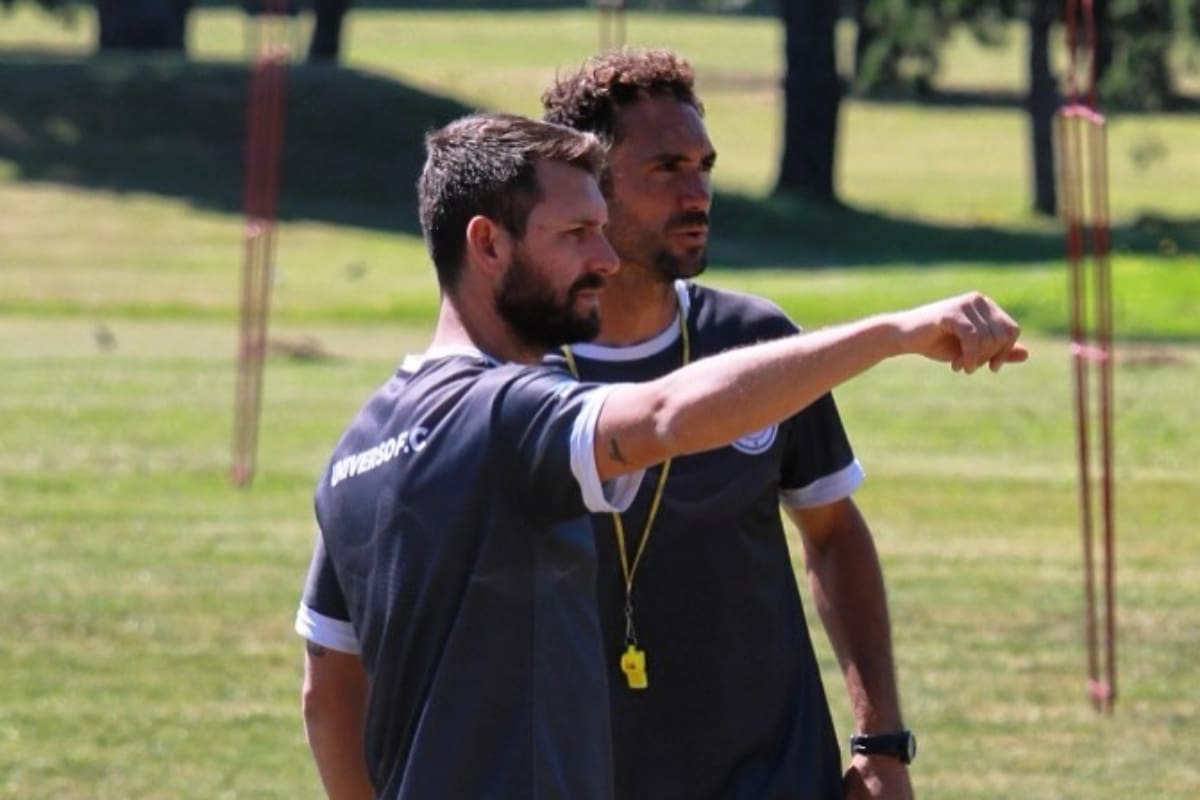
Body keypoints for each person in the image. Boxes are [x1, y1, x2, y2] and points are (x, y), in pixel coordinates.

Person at [294, 110, 1027, 800]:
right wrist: (898, 333)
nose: (607, 260)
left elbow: (325, 698)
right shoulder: (501, 415)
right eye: (578, 232)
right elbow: (669, 414)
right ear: (488, 244)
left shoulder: (357, 450)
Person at [540, 48, 912, 799]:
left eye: (704, 165)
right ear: (588, 187)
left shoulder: (762, 345)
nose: (699, 192)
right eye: (666, 168)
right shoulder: (512, 371)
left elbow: (835, 536)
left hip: (776, 777)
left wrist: (880, 745)